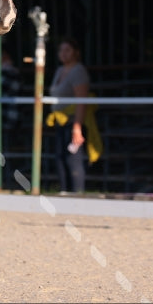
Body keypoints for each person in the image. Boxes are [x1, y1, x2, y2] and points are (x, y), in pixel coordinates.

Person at [47, 37, 92, 194]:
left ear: (76, 53)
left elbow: (81, 101)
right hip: (60, 120)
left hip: (73, 121)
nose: (63, 54)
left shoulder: (78, 71)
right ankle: (65, 192)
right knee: (60, 157)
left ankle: (77, 193)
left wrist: (77, 127)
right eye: (61, 50)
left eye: (67, 50)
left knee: (73, 159)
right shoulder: (60, 70)